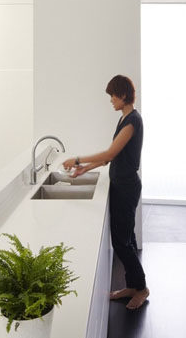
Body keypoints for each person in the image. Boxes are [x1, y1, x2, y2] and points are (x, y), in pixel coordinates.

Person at [63, 74, 149, 310]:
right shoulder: (124, 119)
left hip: (127, 187)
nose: (110, 100)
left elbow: (110, 154)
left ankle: (141, 288)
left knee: (122, 242)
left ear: (122, 95)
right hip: (121, 185)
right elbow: (113, 157)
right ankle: (132, 286)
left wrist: (78, 158)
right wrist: (85, 169)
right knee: (126, 239)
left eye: (112, 95)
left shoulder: (132, 121)